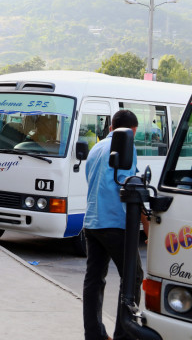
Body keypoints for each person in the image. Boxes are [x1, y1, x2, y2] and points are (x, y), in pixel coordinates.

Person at [83, 110, 146, 340]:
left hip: (91, 222)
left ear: (111, 128)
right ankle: (124, 335)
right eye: (133, 134)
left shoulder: (96, 148)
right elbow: (132, 189)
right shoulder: (127, 148)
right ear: (129, 132)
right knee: (133, 276)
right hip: (115, 224)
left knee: (94, 280)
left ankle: (94, 335)